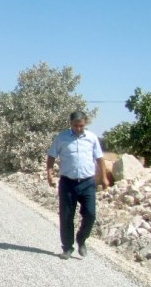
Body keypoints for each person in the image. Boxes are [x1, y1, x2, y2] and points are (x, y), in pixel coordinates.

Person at [46, 111, 109, 260]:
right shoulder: (62, 138)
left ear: (85, 123)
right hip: (67, 182)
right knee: (66, 216)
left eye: (81, 125)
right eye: (75, 125)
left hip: (87, 182)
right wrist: (49, 173)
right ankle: (67, 247)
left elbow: (100, 159)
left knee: (91, 214)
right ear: (70, 123)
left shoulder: (92, 138)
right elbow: (51, 156)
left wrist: (104, 177)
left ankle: (81, 239)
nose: (78, 128)